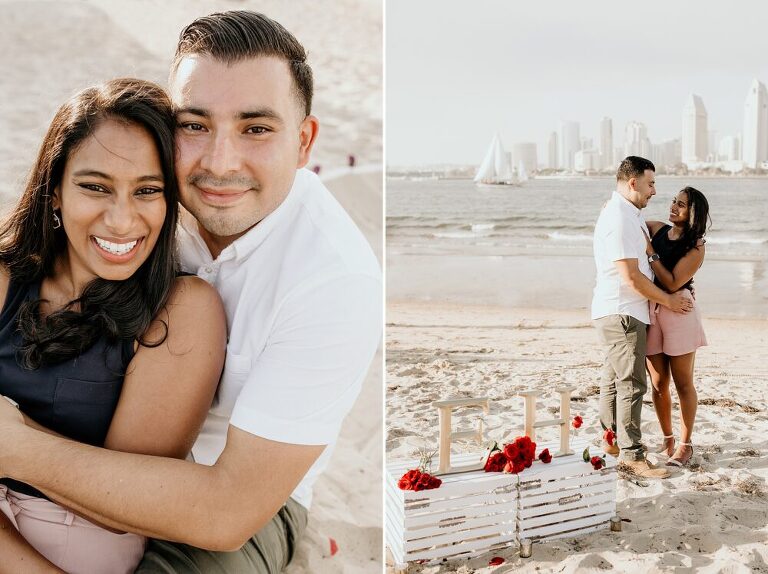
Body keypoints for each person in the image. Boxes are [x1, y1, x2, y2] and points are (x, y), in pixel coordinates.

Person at [0, 10, 382, 574]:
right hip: (86, 451)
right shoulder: (144, 200)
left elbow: (225, 513)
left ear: (303, 143)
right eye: (194, 124)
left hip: (235, 489)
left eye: (256, 128)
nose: (218, 164)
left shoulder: (334, 281)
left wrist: (16, 446)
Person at [0, 78, 226, 573]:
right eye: (95, 187)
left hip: (74, 549)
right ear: (54, 190)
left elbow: (121, 508)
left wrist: (13, 437)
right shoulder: (5, 278)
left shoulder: (182, 310)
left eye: (147, 190)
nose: (122, 221)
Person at [591, 156, 693, 479]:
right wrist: (670, 301)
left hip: (616, 309)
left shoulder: (626, 214)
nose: (654, 191)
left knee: (614, 381)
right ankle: (632, 456)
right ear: (632, 183)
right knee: (632, 384)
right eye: (650, 184)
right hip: (623, 311)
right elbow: (631, 278)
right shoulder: (620, 218)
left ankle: (612, 442)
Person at [644, 187, 709, 467]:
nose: (674, 207)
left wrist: (650, 254)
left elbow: (672, 282)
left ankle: (685, 445)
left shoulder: (696, 246)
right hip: (653, 307)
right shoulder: (658, 229)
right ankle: (668, 438)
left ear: (693, 213)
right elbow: (628, 219)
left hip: (680, 310)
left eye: (681, 204)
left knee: (683, 383)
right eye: (674, 201)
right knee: (658, 384)